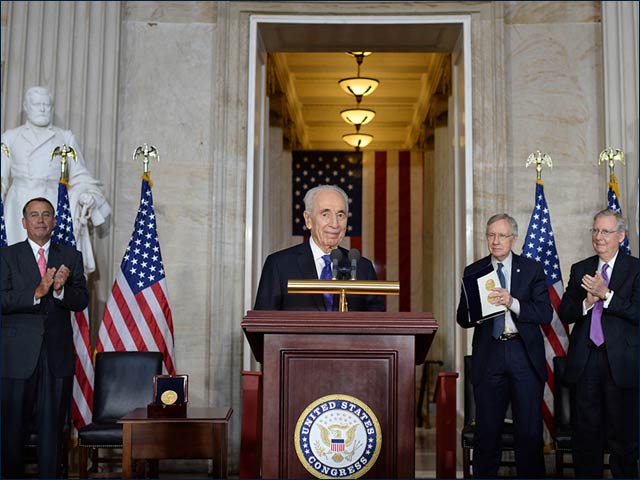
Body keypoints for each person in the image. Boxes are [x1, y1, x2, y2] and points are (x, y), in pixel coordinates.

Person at [456, 213, 552, 478]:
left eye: (501, 236)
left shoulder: (532, 269)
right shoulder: (474, 271)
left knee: (529, 433)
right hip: (490, 355)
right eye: (490, 235)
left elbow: (544, 314)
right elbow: (462, 318)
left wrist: (513, 302)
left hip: (523, 354)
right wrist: (477, 308)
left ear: (514, 238)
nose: (495, 241)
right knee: (487, 432)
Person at [1, 197, 89, 478]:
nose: (40, 220)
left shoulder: (71, 257)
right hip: (16, 357)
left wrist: (61, 290)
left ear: (54, 221)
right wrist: (36, 294)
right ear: (24, 222)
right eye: (34, 215)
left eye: (46, 214)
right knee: (12, 428)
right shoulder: (6, 256)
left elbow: (82, 300)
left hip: (56, 354)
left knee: (52, 429)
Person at [558, 209, 639, 478]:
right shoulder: (581, 268)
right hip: (586, 361)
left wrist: (607, 295)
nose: (598, 237)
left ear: (621, 236)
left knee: (623, 440)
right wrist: (587, 302)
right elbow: (565, 312)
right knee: (586, 439)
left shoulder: (635, 269)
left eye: (605, 231)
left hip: (621, 364)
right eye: (595, 230)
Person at [1, 86, 111, 275]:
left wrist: (87, 194)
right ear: (27, 106)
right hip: (18, 204)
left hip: (52, 202)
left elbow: (79, 174)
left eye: (47, 104)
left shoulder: (64, 137)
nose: (43, 109)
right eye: (37, 104)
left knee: (53, 264)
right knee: (17, 264)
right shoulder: (11, 137)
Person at [254, 184, 384, 311]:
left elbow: (378, 326)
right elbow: (261, 324)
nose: (334, 224)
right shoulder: (279, 265)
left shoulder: (363, 268)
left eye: (340, 215)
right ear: (308, 220)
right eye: (325, 214)